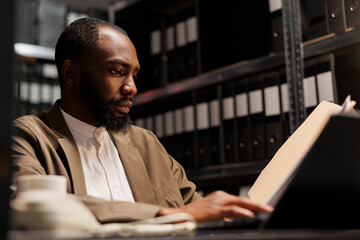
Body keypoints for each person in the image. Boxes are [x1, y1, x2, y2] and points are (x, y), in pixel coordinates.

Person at [11, 17, 273, 224]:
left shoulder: (146, 143)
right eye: (117, 72)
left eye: (134, 74)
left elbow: (197, 207)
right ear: (70, 74)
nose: (132, 88)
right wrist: (163, 217)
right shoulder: (28, 136)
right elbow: (34, 204)